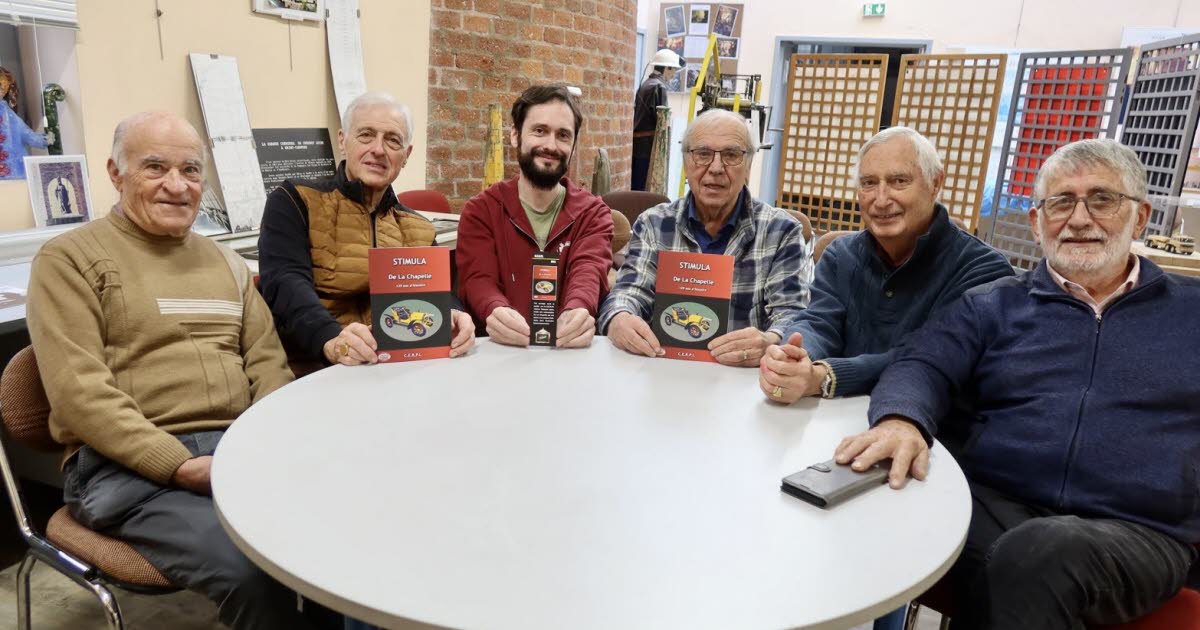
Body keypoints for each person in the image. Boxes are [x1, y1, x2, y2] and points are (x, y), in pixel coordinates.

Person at [834, 138, 1200, 629]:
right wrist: (901, 420)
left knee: (1036, 556)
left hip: (1137, 528)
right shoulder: (994, 304)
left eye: (1102, 199)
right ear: (1035, 222)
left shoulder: (1190, 312)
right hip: (996, 504)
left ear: (1140, 216)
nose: (1079, 219)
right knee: (875, 490)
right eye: (1061, 202)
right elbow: (922, 364)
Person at [26, 111, 313, 629]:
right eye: (154, 167)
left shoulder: (225, 263)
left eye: (191, 170)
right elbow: (79, 394)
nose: (177, 186)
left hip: (236, 449)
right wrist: (177, 464)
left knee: (335, 533)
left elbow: (267, 363)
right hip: (127, 469)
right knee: (254, 569)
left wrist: (268, 446)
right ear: (115, 173)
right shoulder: (68, 260)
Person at [759, 127, 1013, 403]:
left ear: (935, 183)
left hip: (927, 431)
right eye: (868, 183)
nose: (881, 200)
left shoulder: (982, 271)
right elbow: (819, 321)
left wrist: (826, 376)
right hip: (833, 422)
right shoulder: (840, 255)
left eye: (899, 181)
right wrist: (795, 356)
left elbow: (925, 357)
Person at [259, 91, 474, 367]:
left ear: (406, 155)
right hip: (319, 366)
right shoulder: (295, 200)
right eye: (366, 135)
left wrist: (453, 312)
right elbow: (285, 284)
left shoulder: (418, 227)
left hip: (397, 369)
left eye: (392, 140)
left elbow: (436, 292)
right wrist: (332, 339)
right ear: (342, 140)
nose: (378, 149)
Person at [599, 109, 812, 366]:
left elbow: (792, 312)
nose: (716, 168)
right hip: (664, 371)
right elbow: (630, 292)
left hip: (742, 379)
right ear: (687, 162)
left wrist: (772, 339)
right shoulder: (654, 224)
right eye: (703, 154)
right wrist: (618, 317)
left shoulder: (781, 231)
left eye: (731, 155)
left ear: (748, 166)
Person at [456, 84, 614, 348]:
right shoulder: (481, 211)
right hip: (499, 354)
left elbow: (588, 271)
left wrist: (578, 308)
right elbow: (477, 278)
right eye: (539, 131)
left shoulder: (593, 214)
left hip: (568, 353)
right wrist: (493, 309)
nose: (551, 145)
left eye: (563, 135)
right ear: (515, 136)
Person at [632, 49, 683, 191]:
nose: (673, 75)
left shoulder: (646, 84)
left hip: (639, 146)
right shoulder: (659, 86)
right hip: (648, 148)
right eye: (673, 70)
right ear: (667, 68)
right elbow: (662, 122)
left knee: (637, 185)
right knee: (644, 190)